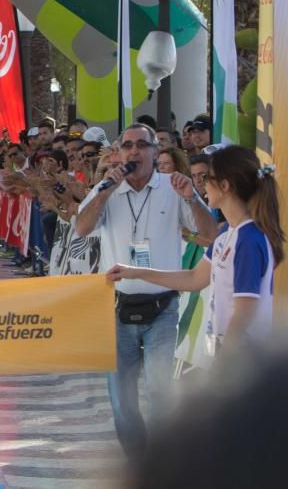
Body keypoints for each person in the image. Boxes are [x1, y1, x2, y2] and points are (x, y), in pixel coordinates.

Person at [75, 123, 218, 460]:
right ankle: (139, 462)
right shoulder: (107, 189)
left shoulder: (174, 187)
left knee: (160, 390)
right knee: (122, 399)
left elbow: (210, 233)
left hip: (163, 307)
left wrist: (191, 198)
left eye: (142, 145)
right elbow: (81, 229)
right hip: (116, 307)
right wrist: (105, 189)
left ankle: (161, 462)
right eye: (127, 146)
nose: (134, 152)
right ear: (118, 153)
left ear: (156, 152)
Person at [106, 146, 282, 357]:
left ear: (225, 185)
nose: (203, 183)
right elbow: (195, 278)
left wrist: (226, 361)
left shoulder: (249, 238)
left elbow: (245, 309)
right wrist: (135, 272)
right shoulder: (227, 231)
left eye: (207, 177)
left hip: (247, 359)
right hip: (230, 355)